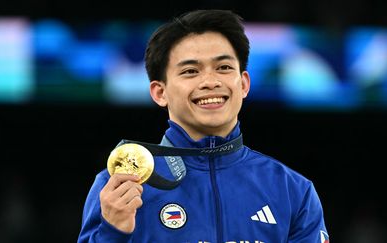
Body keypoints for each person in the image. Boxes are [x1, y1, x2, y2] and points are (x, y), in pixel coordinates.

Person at [77, 9, 329, 243]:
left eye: (223, 67)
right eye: (190, 71)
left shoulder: (293, 191)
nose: (210, 81)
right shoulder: (119, 187)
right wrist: (112, 232)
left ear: (243, 84)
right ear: (159, 92)